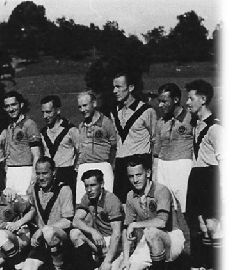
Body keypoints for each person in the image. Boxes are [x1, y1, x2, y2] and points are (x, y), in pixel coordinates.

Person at [115, 154, 185, 270]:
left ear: (148, 173)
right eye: (131, 176)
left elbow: (162, 222)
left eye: (139, 175)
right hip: (149, 241)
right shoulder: (130, 196)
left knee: (151, 231)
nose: (135, 180)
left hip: (171, 239)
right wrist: (125, 258)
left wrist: (135, 225)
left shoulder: (161, 190)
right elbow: (126, 230)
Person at [184, 79, 223, 270]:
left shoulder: (216, 128)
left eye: (191, 98)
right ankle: (199, 266)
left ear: (203, 99)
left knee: (212, 223)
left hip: (211, 176)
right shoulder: (196, 125)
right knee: (195, 223)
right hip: (197, 176)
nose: (187, 102)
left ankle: (219, 268)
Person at [110, 72, 157, 203]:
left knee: (142, 203)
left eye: (119, 87)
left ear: (130, 88)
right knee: (121, 204)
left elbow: (155, 139)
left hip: (139, 161)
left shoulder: (147, 111)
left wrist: (153, 168)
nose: (115, 91)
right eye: (114, 87)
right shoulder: (114, 112)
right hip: (120, 164)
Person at [70, 169, 123, 270]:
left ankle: (110, 263)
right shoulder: (87, 197)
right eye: (86, 186)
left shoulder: (111, 200)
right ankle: (92, 268)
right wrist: (93, 231)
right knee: (75, 233)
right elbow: (76, 221)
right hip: (100, 239)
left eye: (93, 185)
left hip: (116, 243)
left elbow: (117, 234)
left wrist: (108, 261)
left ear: (102, 184)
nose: (89, 190)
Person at [26, 157, 75, 270]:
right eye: (38, 173)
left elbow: (68, 221)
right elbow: (32, 210)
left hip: (60, 237)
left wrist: (43, 229)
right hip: (42, 238)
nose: (41, 177)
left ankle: (59, 268)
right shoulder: (34, 189)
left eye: (45, 173)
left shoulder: (64, 189)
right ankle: (46, 264)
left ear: (53, 172)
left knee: (49, 232)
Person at [153, 83, 194, 214]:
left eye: (164, 101)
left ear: (176, 100)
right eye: (159, 101)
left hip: (182, 166)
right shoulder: (160, 122)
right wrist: (155, 174)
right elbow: (156, 152)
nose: (160, 105)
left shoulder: (190, 118)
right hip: (163, 167)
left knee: (186, 208)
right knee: (167, 209)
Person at [75, 91, 117, 204]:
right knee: (82, 204)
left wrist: (111, 165)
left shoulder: (106, 123)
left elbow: (114, 145)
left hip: (102, 165)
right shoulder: (81, 126)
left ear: (94, 103)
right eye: (80, 107)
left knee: (104, 203)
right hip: (84, 167)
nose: (82, 110)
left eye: (85, 105)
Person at [39, 95, 80, 197]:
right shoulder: (43, 132)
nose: (45, 116)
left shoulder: (70, 129)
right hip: (49, 174)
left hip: (67, 172)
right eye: (43, 112)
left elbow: (81, 150)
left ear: (57, 111)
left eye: (48, 112)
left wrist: (75, 169)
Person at [3, 91, 42, 196]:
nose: (11, 109)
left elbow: (37, 154)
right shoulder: (10, 126)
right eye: (7, 106)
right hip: (12, 171)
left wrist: (33, 179)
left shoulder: (30, 124)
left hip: (26, 170)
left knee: (25, 204)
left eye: (13, 105)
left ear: (21, 104)